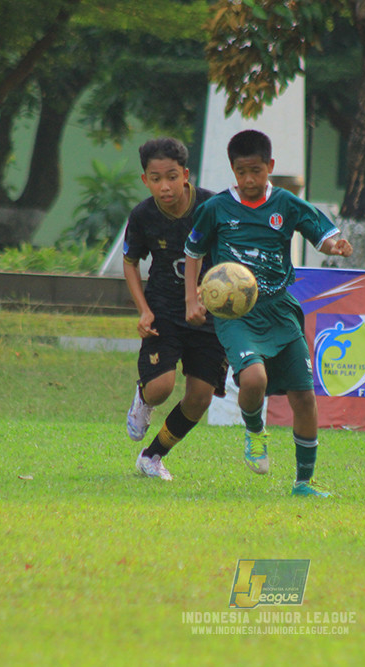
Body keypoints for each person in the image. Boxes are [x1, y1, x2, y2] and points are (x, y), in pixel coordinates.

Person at [184, 129, 353, 498]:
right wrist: (191, 301)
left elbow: (320, 233)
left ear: (270, 166)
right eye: (242, 172)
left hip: (279, 309)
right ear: (232, 170)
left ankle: (304, 482)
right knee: (254, 379)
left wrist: (334, 245)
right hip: (236, 314)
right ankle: (254, 431)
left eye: (256, 171)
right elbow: (193, 251)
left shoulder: (285, 204)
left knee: (304, 397)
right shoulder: (216, 209)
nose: (249, 180)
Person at [123, 137, 228, 481]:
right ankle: (143, 398)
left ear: (185, 174)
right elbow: (130, 262)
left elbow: (231, 257)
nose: (165, 187)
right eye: (156, 179)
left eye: (172, 177)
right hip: (164, 310)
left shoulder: (212, 207)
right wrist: (143, 311)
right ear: (145, 180)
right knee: (161, 388)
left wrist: (209, 295)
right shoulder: (143, 216)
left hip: (208, 315)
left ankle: (152, 456)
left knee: (200, 397)